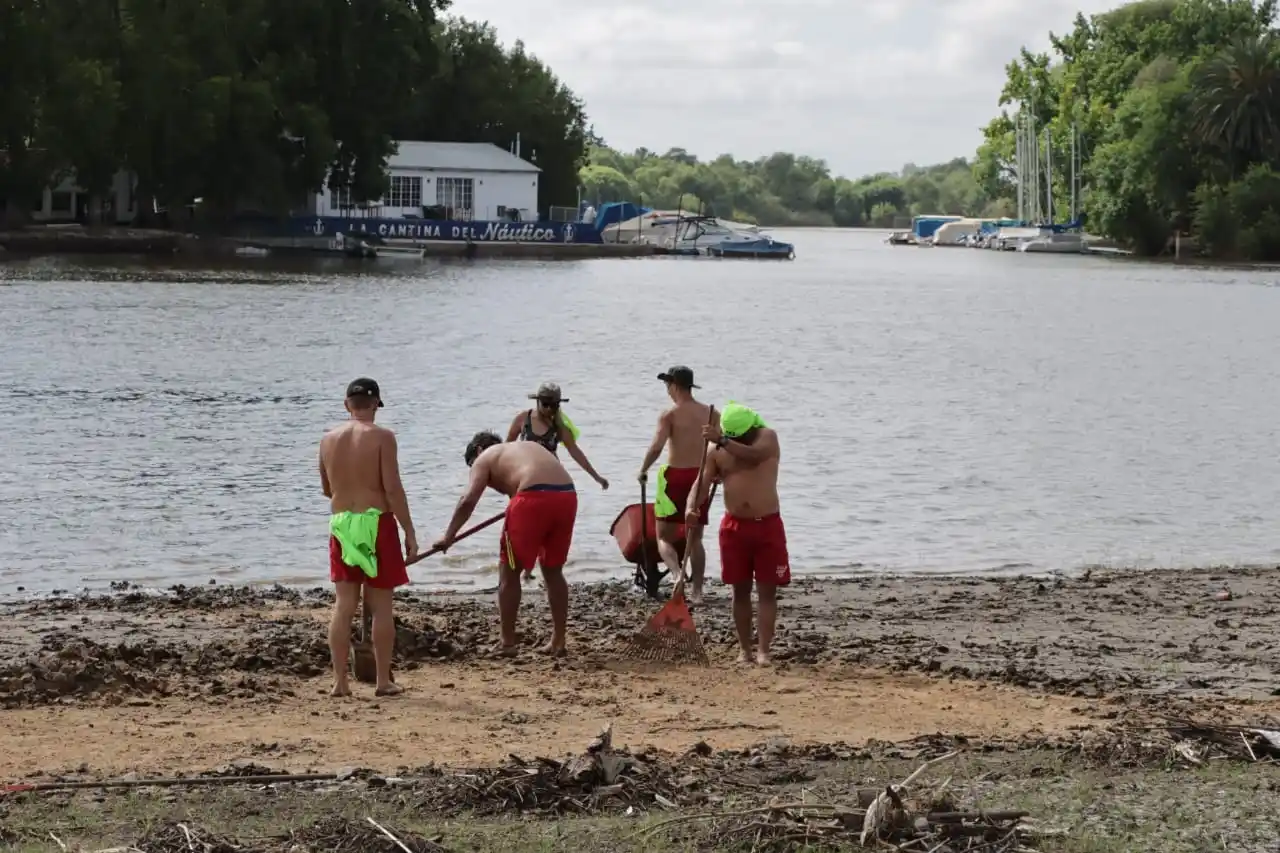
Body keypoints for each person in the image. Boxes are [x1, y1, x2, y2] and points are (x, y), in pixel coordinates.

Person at [433, 432, 578, 657]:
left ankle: (507, 644)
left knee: (509, 573)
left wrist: (448, 536)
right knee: (553, 571)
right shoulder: (525, 446)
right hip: (566, 495)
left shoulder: (484, 457)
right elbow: (543, 477)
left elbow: (468, 500)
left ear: (479, 450)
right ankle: (558, 641)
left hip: (531, 498)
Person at [319, 378, 417, 697]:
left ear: (347, 404)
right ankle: (382, 682)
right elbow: (391, 487)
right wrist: (409, 531)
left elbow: (326, 489)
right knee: (381, 606)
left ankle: (339, 682)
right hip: (376, 523)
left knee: (344, 604)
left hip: (342, 523)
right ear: (375, 404)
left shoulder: (327, 440)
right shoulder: (383, 438)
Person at [687, 401, 788, 665]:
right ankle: (745, 651)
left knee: (767, 592)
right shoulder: (715, 450)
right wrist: (690, 507)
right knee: (739, 591)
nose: (732, 440)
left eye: (735, 436)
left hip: (767, 524)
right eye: (728, 436)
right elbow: (701, 482)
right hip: (735, 527)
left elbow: (753, 456)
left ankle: (764, 650)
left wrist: (721, 439)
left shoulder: (767, 437)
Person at [637, 366, 717, 603]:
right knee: (696, 538)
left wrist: (643, 470)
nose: (668, 391)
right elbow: (720, 446)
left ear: (673, 386)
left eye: (667, 386)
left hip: (675, 477)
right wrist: (719, 473)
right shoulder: (713, 413)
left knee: (664, 536)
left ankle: (675, 576)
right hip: (702, 475)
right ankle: (698, 592)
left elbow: (657, 446)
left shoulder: (669, 414)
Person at [505, 382, 609, 491]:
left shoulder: (559, 427)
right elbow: (506, 448)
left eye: (554, 405)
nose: (549, 409)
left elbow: (576, 453)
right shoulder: (523, 419)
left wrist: (597, 477)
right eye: (545, 404)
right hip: (525, 476)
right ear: (537, 401)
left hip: (551, 478)